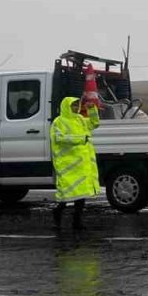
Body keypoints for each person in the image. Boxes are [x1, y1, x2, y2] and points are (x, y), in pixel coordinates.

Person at [50, 95, 100, 229]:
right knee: (65, 196)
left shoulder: (80, 120)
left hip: (81, 164)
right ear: (66, 106)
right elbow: (59, 138)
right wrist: (80, 139)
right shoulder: (58, 122)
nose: (75, 107)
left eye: (77, 105)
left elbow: (94, 123)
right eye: (73, 105)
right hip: (68, 165)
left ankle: (77, 221)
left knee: (81, 195)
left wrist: (92, 110)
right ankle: (57, 213)